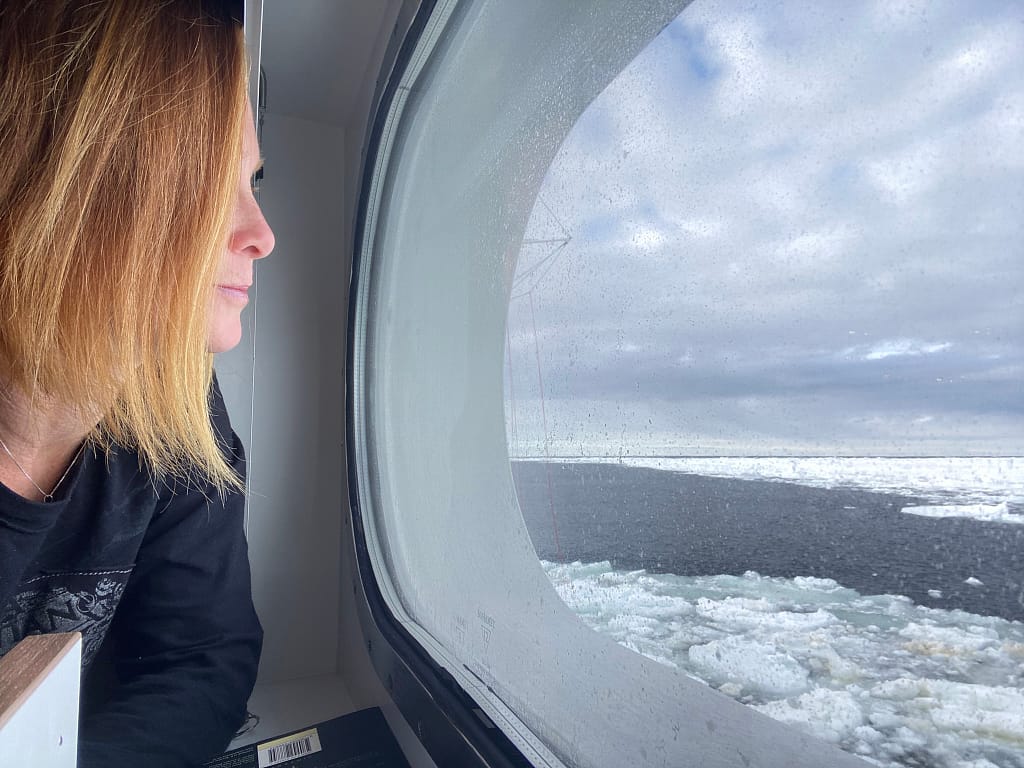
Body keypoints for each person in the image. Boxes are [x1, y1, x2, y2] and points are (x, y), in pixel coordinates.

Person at [0, 1, 274, 765]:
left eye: (252, 182)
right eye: (214, 182)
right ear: (79, 184)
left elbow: (206, 656)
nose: (263, 234)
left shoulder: (179, 403)